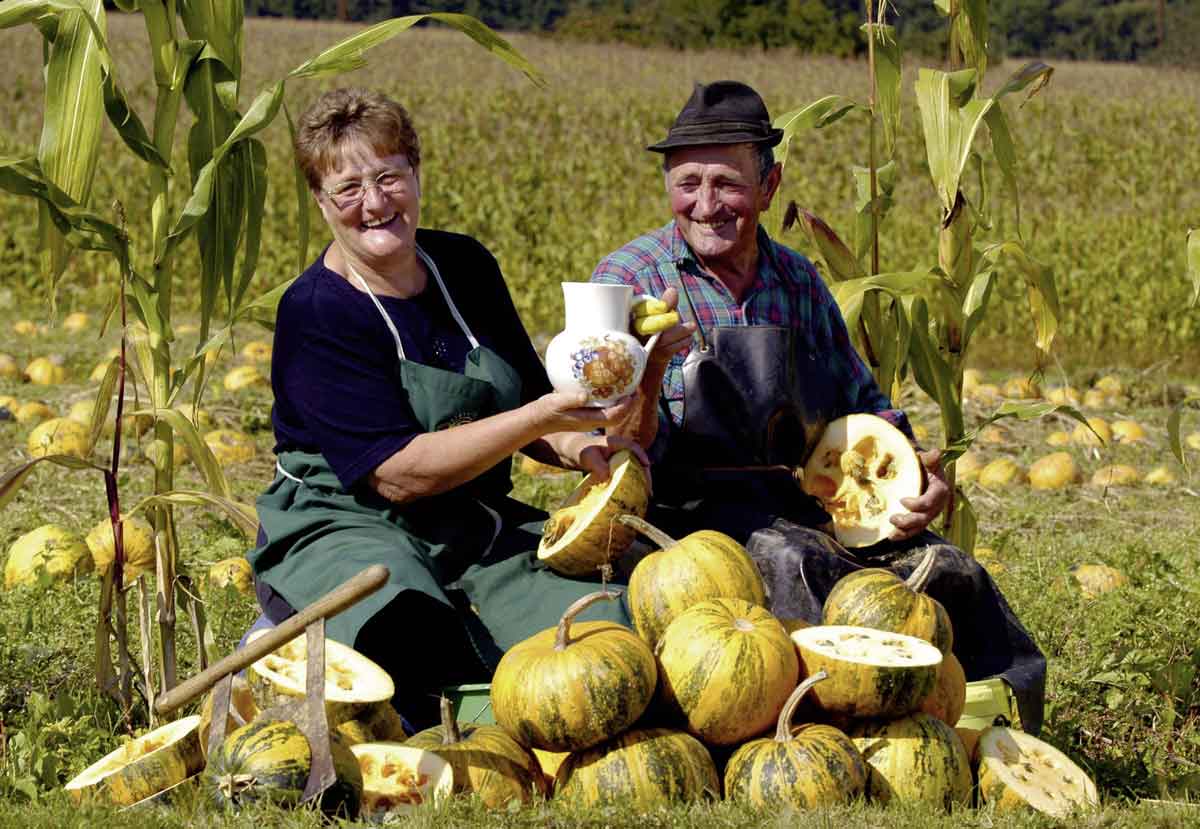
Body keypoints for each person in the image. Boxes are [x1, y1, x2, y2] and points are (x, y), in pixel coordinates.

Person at [592, 80, 1047, 733]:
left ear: (770, 186)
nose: (706, 203)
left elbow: (864, 401)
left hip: (805, 507)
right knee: (793, 564)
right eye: (687, 182)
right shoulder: (627, 280)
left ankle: (992, 729)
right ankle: (821, 736)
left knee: (948, 569)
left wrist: (916, 474)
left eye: (728, 183)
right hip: (681, 527)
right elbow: (610, 445)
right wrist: (649, 368)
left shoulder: (799, 281)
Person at [247, 88, 644, 730]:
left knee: (601, 631)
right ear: (321, 202)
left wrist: (583, 448)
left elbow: (522, 401)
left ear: (416, 174)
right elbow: (400, 474)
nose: (374, 203)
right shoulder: (317, 311)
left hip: (466, 518)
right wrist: (543, 419)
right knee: (410, 628)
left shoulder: (465, 265)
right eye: (347, 189)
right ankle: (282, 634)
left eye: (388, 177)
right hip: (342, 519)